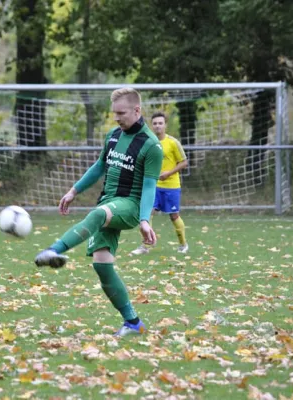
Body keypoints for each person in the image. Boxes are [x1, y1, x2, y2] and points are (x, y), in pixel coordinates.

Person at [34, 87, 163, 337]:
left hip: (131, 205)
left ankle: (54, 250)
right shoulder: (114, 135)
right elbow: (99, 166)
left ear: (137, 110)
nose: (117, 118)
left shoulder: (151, 146)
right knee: (102, 266)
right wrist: (74, 190)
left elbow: (149, 187)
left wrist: (145, 220)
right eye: (114, 113)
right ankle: (133, 323)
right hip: (109, 201)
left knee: (97, 215)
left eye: (121, 113)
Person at [130, 111, 189, 255]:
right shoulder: (148, 142)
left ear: (165, 125)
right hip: (153, 186)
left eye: (160, 123)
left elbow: (184, 162)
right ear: (152, 125)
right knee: (147, 214)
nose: (157, 126)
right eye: (155, 123)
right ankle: (146, 246)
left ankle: (183, 244)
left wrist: (168, 173)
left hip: (171, 186)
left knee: (173, 216)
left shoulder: (173, 143)